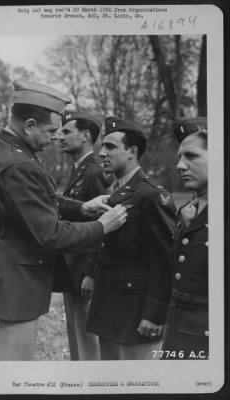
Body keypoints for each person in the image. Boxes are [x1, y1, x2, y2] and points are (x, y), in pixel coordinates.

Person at [0, 81, 127, 361]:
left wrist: (81, 208)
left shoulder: (2, 148)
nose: (55, 137)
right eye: (51, 130)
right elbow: (50, 234)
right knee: (7, 378)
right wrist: (103, 226)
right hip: (12, 289)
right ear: (29, 125)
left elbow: (32, 201)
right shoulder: (20, 165)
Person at [86, 116, 176, 360]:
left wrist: (155, 313)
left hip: (135, 314)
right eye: (102, 146)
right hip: (108, 308)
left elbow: (165, 258)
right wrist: (91, 273)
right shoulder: (113, 192)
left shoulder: (151, 195)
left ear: (132, 152)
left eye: (111, 147)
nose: (102, 153)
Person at [56, 111, 110, 360]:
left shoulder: (95, 171)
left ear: (86, 136)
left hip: (84, 270)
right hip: (72, 267)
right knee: (78, 335)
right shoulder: (79, 169)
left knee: (89, 340)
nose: (59, 136)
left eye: (66, 131)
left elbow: (104, 226)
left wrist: (91, 271)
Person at [162, 117, 209, 360]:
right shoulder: (188, 210)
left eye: (191, 156)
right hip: (179, 329)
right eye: (179, 157)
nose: (180, 166)